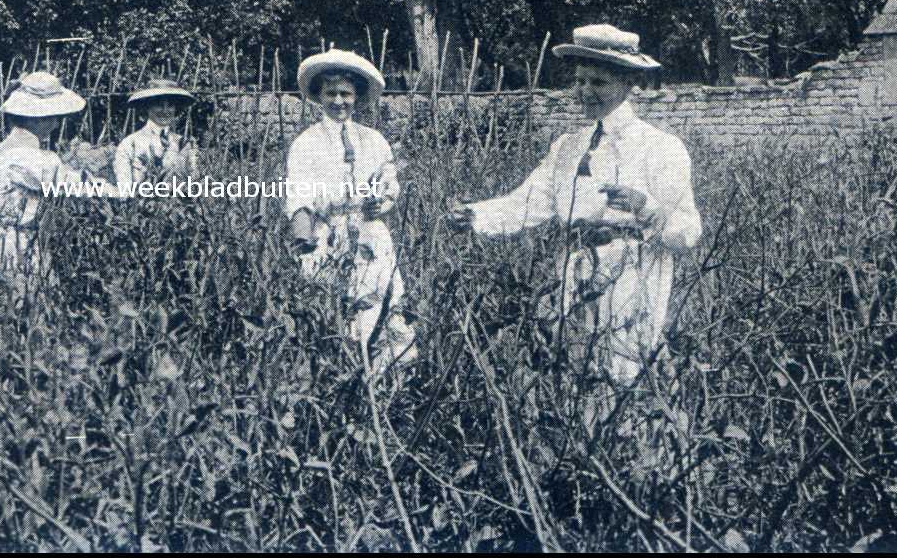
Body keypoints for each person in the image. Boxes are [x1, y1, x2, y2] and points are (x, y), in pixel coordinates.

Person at [446, 24, 702, 385]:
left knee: (623, 367)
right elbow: (530, 201)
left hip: (632, 273)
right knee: (575, 367)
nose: (584, 92)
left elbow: (687, 230)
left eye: (598, 82)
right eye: (579, 81)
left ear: (629, 83)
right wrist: (475, 215)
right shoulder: (568, 146)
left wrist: (646, 208)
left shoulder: (660, 147)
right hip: (574, 268)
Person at [286, 50, 416, 376]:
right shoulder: (306, 143)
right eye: (331, 93)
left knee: (380, 301)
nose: (338, 101)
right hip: (328, 232)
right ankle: (342, 373)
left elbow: (390, 183)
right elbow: (298, 193)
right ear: (319, 96)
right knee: (335, 306)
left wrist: (381, 202)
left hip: (370, 232)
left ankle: (387, 374)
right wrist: (303, 239)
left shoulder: (374, 140)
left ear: (356, 96)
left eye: (345, 93)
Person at [0, 71, 112, 285]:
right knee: (31, 297)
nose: (57, 124)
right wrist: (121, 190)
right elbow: (72, 184)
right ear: (39, 119)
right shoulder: (31, 157)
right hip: (21, 247)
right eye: (54, 117)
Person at [114, 78, 200, 187]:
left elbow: (194, 184)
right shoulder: (131, 143)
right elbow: (124, 188)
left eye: (170, 105)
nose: (165, 110)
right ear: (147, 106)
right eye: (159, 105)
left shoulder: (184, 144)